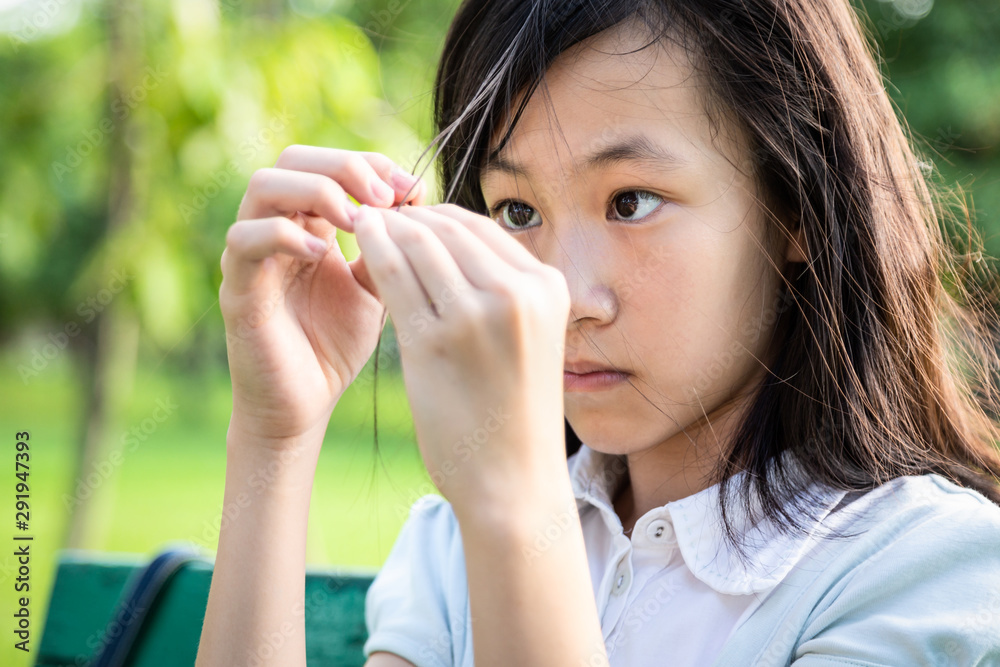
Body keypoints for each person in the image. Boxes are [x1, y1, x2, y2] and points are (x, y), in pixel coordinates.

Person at [195, 0, 1000, 665]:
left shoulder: (926, 571)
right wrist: (276, 436)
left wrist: (514, 510)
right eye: (517, 210)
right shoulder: (453, 544)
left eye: (630, 202)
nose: (565, 297)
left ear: (795, 206)